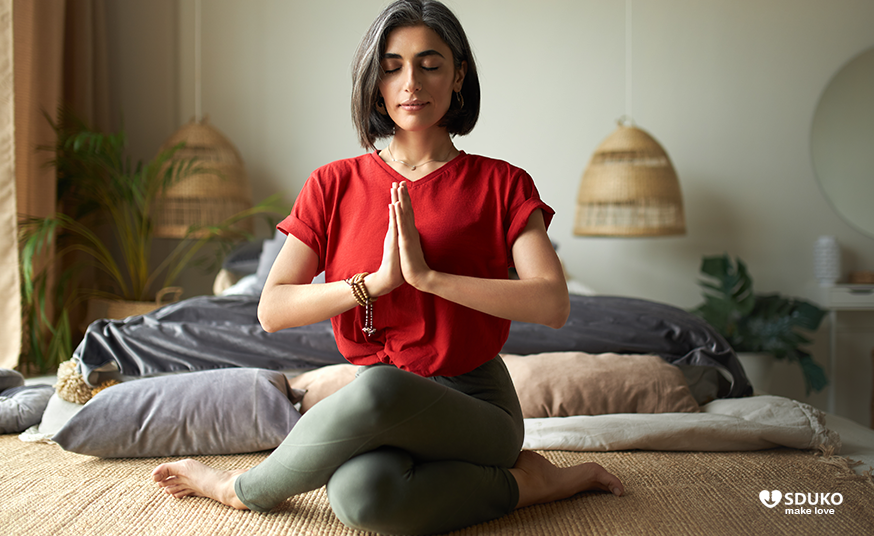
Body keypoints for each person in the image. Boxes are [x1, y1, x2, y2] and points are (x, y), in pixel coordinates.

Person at [152, 1, 624, 533]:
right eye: (393, 66)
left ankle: (238, 490)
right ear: (375, 82)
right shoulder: (332, 184)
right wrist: (373, 285)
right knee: (360, 498)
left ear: (458, 75)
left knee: (376, 389)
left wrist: (429, 279)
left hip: (477, 408)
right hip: (382, 398)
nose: (411, 83)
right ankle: (529, 484)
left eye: (430, 63)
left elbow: (552, 303)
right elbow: (272, 309)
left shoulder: (503, 183)